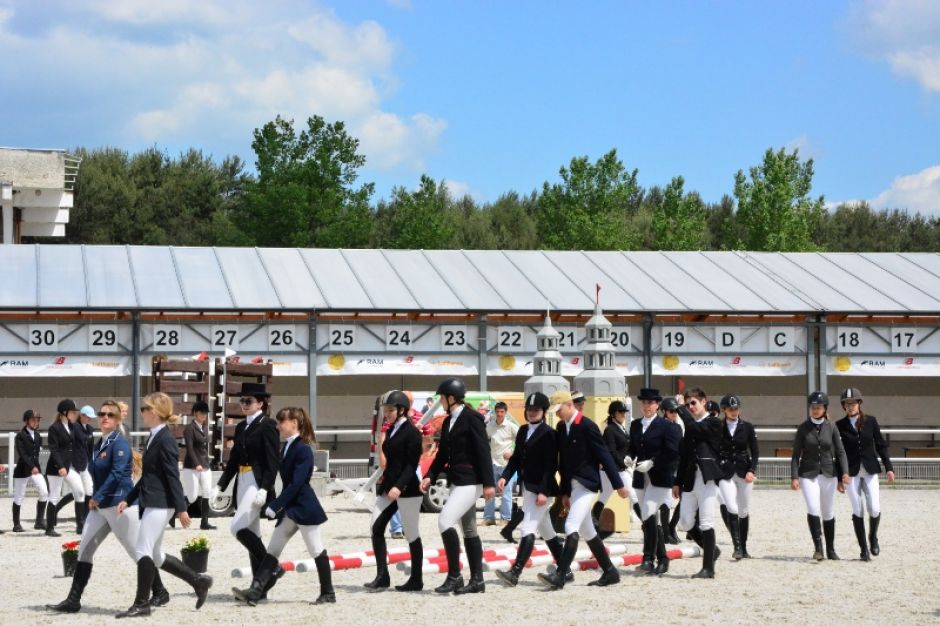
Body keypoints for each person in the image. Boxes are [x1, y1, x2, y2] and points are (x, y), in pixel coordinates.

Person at [47, 399, 170, 613]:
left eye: (110, 415)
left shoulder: (119, 443)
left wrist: (97, 496)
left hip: (119, 505)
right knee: (85, 550)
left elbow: (116, 474)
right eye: (101, 414)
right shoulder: (99, 443)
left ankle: (161, 591)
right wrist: (97, 497)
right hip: (101, 507)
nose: (104, 417)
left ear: (118, 419)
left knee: (138, 552)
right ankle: (73, 600)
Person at [115, 393, 212, 618]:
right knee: (156, 555)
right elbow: (149, 475)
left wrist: (181, 508)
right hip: (153, 500)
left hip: (160, 503)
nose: (141, 413)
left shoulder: (165, 439)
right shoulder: (154, 436)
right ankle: (198, 581)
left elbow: (172, 476)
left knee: (143, 550)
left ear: (155, 412)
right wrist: (128, 498)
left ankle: (141, 604)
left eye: (144, 409)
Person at [233, 407, 334, 606]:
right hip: (290, 508)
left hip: (304, 508)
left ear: (294, 423)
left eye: (281, 422)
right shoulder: (287, 446)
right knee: (273, 549)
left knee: (316, 549)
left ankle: (328, 592)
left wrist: (276, 504)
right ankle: (256, 591)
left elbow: (297, 483)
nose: (278, 426)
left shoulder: (303, 449)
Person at [538, 390, 628, 589]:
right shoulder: (561, 427)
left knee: (571, 526)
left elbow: (604, 455)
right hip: (572, 486)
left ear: (569, 404)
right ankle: (610, 572)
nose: (557, 414)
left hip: (587, 485)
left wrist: (619, 485)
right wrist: (564, 492)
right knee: (588, 531)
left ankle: (560, 575)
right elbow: (563, 463)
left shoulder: (588, 426)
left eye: (559, 409)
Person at [420, 377, 495, 595]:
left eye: (442, 398)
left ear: (451, 398)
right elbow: (442, 454)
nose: (440, 401)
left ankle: (455, 576)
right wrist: (430, 476)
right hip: (457, 480)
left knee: (445, 521)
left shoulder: (473, 418)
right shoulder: (447, 422)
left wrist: (489, 483)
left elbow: (483, 451)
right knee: (469, 529)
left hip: (472, 480)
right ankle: (477, 581)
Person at [215, 382, 281, 596]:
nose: (243, 404)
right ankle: (258, 589)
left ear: (260, 403)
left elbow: (272, 461)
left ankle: (272, 567)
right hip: (242, 480)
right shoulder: (241, 427)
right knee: (252, 532)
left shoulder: (268, 425)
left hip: (256, 481)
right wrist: (221, 485)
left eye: (248, 401)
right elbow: (234, 460)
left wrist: (265, 488)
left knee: (237, 527)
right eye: (242, 400)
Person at [494, 392, 561, 587]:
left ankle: (515, 572)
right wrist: (505, 476)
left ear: (544, 411)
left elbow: (550, 466)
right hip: (528, 486)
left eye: (536, 410)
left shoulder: (549, 434)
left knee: (528, 527)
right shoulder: (523, 430)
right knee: (547, 531)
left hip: (542, 489)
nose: (532, 412)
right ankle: (565, 568)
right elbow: (516, 458)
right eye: (529, 409)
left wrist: (543, 491)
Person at [364, 390, 424, 592]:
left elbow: (411, 464)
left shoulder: (412, 432)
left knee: (411, 533)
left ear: (401, 410)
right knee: (376, 527)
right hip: (388, 487)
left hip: (408, 489)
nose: (387, 414)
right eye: (386, 410)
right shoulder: (391, 430)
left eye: (390, 410)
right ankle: (382, 576)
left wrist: (399, 486)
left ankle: (416, 579)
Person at [835, 388, 894, 561]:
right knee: (857, 509)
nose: (850, 406)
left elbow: (881, 445)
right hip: (850, 473)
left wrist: (889, 467)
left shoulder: (871, 421)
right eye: (847, 404)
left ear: (859, 404)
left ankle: (873, 537)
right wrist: (840, 477)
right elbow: (838, 453)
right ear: (843, 406)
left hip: (870, 470)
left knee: (874, 508)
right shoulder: (839, 425)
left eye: (853, 403)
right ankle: (863, 549)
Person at [790, 391, 850, 562]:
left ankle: (831, 549)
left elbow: (840, 451)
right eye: (813, 407)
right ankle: (818, 548)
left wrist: (844, 473)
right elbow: (796, 454)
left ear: (825, 409)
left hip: (829, 474)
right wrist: (794, 477)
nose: (815, 410)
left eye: (819, 407)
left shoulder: (831, 426)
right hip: (808, 474)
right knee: (813, 508)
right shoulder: (803, 428)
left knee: (828, 512)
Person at [629, 388, 681, 576]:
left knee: (648, 512)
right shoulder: (635, 425)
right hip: (641, 477)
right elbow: (632, 447)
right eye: (644, 402)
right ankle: (663, 558)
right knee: (647, 518)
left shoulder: (667, 426)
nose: (646, 406)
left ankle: (648, 559)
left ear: (657, 405)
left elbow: (672, 452)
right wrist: (628, 457)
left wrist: (653, 462)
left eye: (650, 403)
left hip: (660, 477)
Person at [674, 388, 724, 578]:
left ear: (704, 402)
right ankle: (712, 550)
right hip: (689, 478)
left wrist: (681, 409)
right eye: (687, 405)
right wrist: (677, 482)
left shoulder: (714, 422)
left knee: (706, 522)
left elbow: (696, 428)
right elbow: (684, 457)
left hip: (706, 478)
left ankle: (708, 568)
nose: (690, 407)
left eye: (693, 403)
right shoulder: (690, 425)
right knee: (685, 522)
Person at [716, 395, 759, 560]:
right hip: (725, 472)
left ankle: (744, 547)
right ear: (724, 410)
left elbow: (755, 451)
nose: (734, 412)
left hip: (744, 470)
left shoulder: (747, 427)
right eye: (730, 409)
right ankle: (737, 547)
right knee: (731, 507)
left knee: (743, 510)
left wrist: (752, 470)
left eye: (736, 409)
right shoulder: (718, 427)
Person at [594, 400, 634, 541]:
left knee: (603, 498)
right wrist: (623, 463)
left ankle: (593, 526)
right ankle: (649, 527)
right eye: (620, 412)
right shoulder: (610, 430)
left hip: (617, 468)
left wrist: (629, 458)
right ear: (613, 414)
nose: (623, 414)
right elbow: (611, 451)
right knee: (633, 495)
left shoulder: (621, 428)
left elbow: (625, 448)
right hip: (615, 470)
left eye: (624, 412)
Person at [45, 399, 84, 537]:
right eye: (73, 412)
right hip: (56, 467)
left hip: (69, 466)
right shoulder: (54, 428)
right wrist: (60, 466)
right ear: (64, 412)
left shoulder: (72, 426)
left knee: (80, 491)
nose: (75, 414)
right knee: (54, 496)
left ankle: (81, 526)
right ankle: (49, 528)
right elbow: (54, 449)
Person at [12, 409, 49, 532]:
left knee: (44, 492)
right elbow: (22, 454)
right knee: (19, 496)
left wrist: (35, 467)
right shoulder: (20, 436)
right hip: (23, 470)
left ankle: (39, 521)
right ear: (27, 421)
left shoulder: (38, 436)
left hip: (35, 469)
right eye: (33, 420)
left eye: (37, 420)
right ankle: (16, 524)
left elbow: (36, 454)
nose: (36, 422)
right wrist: (32, 466)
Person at [182, 401, 216, 530]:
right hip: (192, 466)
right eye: (202, 413)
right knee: (192, 496)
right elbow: (190, 448)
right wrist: (196, 464)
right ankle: (176, 511)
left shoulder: (205, 427)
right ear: (195, 413)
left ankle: (204, 522)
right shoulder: (189, 429)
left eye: (206, 413)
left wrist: (205, 463)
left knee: (207, 492)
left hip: (205, 464)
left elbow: (204, 447)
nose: (204, 415)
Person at [483, 401, 518, 526]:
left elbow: (522, 442)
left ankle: (505, 518)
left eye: (502, 412)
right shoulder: (489, 426)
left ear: (506, 412)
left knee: (506, 493)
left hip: (506, 464)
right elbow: (483, 441)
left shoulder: (512, 427)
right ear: (494, 412)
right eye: (497, 412)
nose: (499, 414)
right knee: (490, 491)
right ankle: (489, 518)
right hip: (492, 462)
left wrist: (513, 454)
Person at [659, 397, 683, 544]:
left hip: (678, 465)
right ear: (664, 411)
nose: (674, 413)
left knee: (684, 497)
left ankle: (671, 526)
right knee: (666, 500)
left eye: (676, 411)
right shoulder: (659, 425)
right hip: (665, 466)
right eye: (671, 411)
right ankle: (666, 532)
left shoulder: (678, 427)